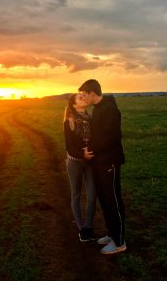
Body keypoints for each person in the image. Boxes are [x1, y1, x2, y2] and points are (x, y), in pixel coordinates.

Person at [78, 79, 126, 255]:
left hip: (109, 162)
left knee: (113, 201)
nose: (83, 98)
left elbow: (113, 137)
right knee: (105, 201)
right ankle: (112, 234)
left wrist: (92, 149)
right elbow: (98, 135)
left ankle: (120, 242)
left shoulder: (110, 110)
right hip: (99, 162)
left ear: (92, 93)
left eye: (85, 94)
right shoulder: (98, 109)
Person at [63, 93, 97, 242]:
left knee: (92, 195)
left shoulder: (92, 119)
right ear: (74, 104)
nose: (83, 98)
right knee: (76, 194)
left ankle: (89, 227)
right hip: (75, 162)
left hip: (90, 163)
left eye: (84, 96)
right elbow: (69, 147)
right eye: (80, 97)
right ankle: (82, 229)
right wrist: (84, 155)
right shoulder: (69, 122)